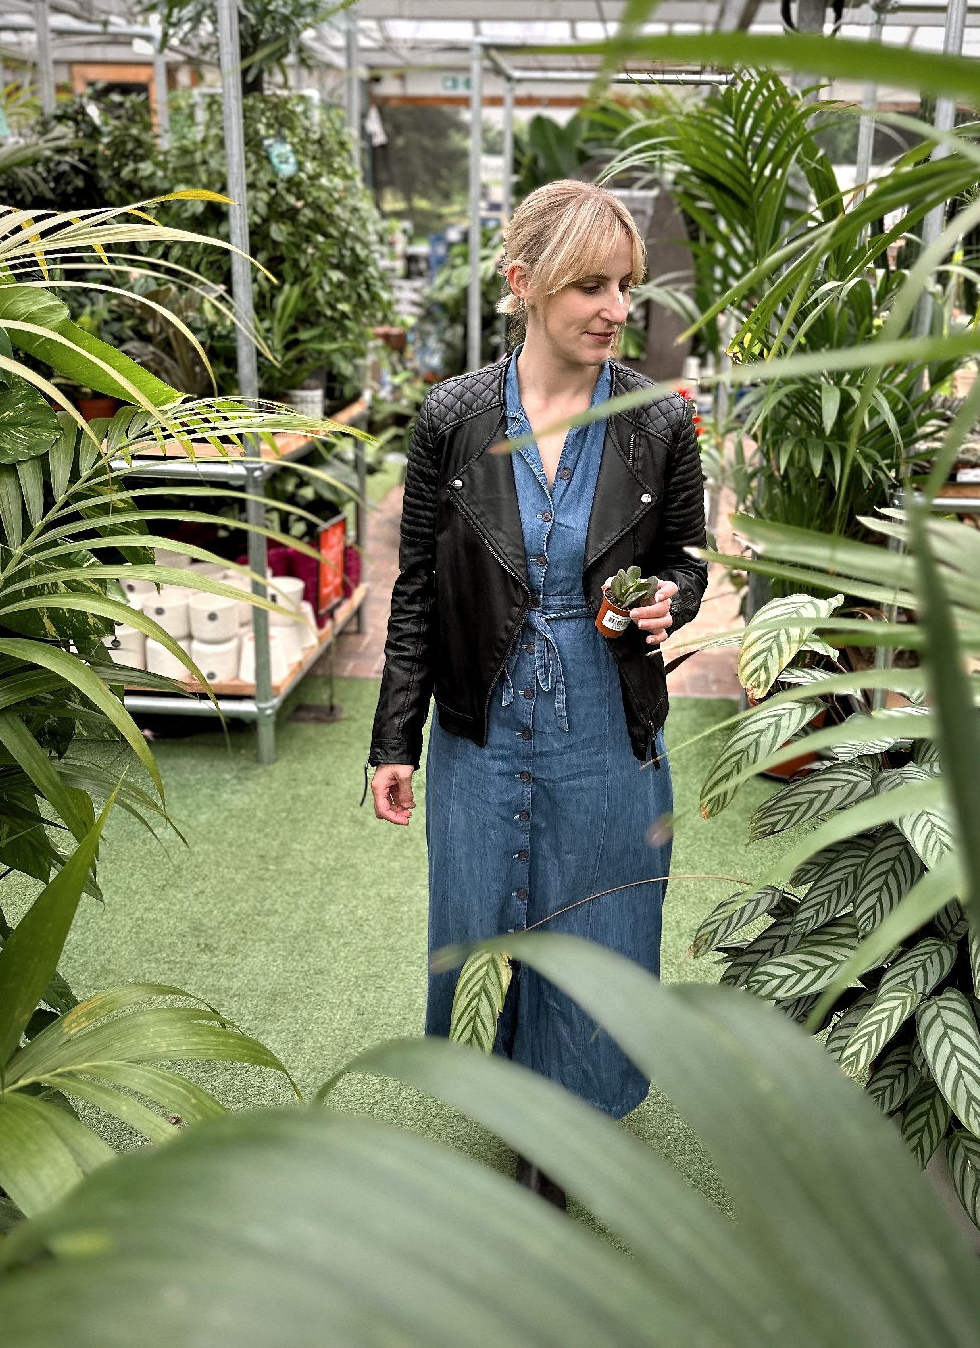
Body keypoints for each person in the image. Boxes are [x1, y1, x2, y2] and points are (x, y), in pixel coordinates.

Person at [367, 179, 707, 1206]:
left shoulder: (659, 420)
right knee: (485, 906)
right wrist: (395, 739)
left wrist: (672, 603)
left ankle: (567, 1126)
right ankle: (511, 1098)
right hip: (484, 712)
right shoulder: (453, 420)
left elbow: (687, 559)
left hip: (606, 716)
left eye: (626, 286)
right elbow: (420, 586)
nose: (615, 308)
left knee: (597, 912)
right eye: (588, 286)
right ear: (523, 284)